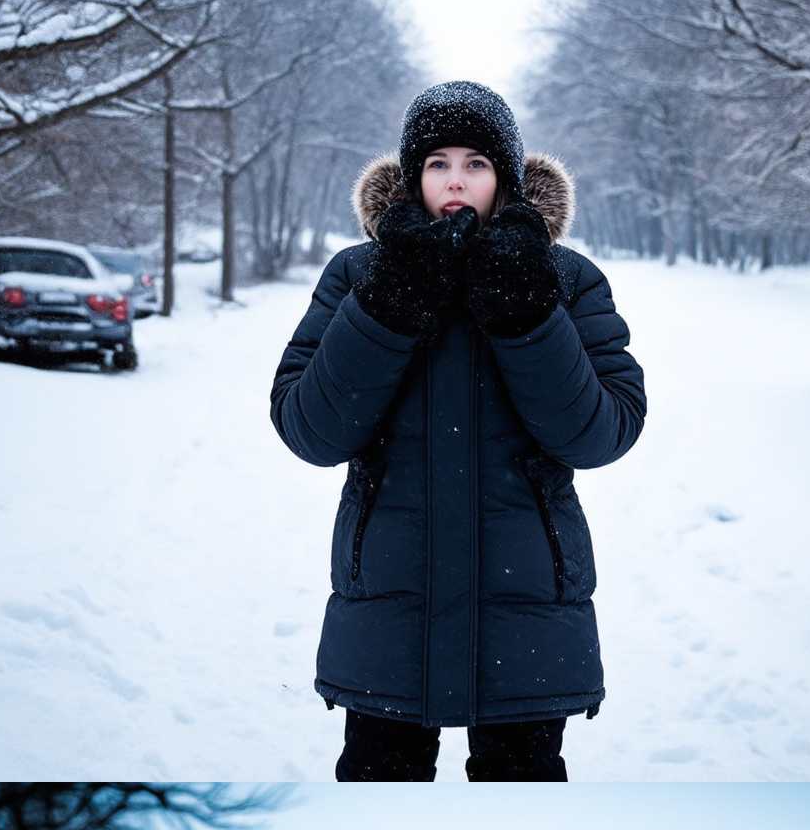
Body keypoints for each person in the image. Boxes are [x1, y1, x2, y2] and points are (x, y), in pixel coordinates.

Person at [270, 81, 647, 781]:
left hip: (527, 610)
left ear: (505, 174)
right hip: (390, 609)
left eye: (476, 162)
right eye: (438, 162)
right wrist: (388, 305)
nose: (456, 180)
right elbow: (310, 429)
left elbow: (602, 432)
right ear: (413, 176)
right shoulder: (358, 275)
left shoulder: (565, 280)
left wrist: (526, 314)